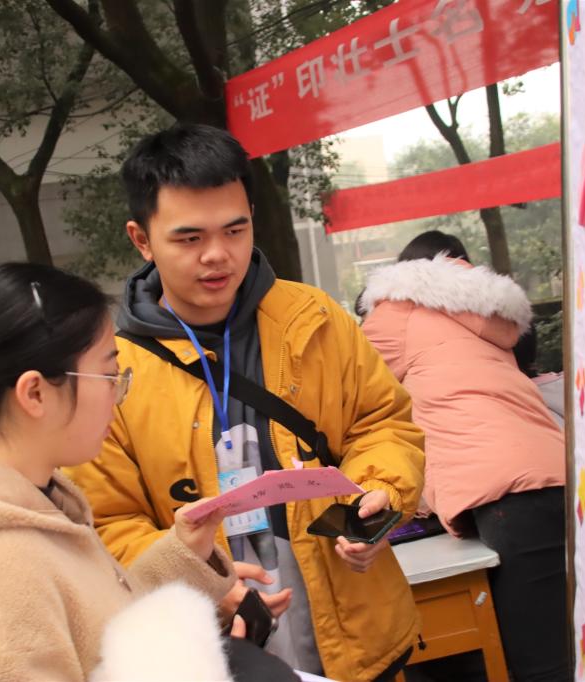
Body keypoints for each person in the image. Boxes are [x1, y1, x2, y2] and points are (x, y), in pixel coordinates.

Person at [65, 124, 425, 681]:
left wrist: (379, 494)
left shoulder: (314, 319)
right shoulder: (113, 368)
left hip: (354, 623)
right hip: (210, 644)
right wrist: (199, 577)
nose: (218, 255)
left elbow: (382, 423)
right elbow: (105, 519)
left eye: (235, 230)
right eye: (189, 238)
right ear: (141, 239)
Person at [0, 263, 242, 680]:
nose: (118, 394)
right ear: (35, 393)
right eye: (109, 375)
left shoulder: (30, 506)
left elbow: (89, 627)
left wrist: (182, 557)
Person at [361, 230, 568, 682]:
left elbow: (354, 398)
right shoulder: (489, 317)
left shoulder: (395, 311)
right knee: (561, 637)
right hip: (555, 470)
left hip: (507, 491)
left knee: (536, 664)